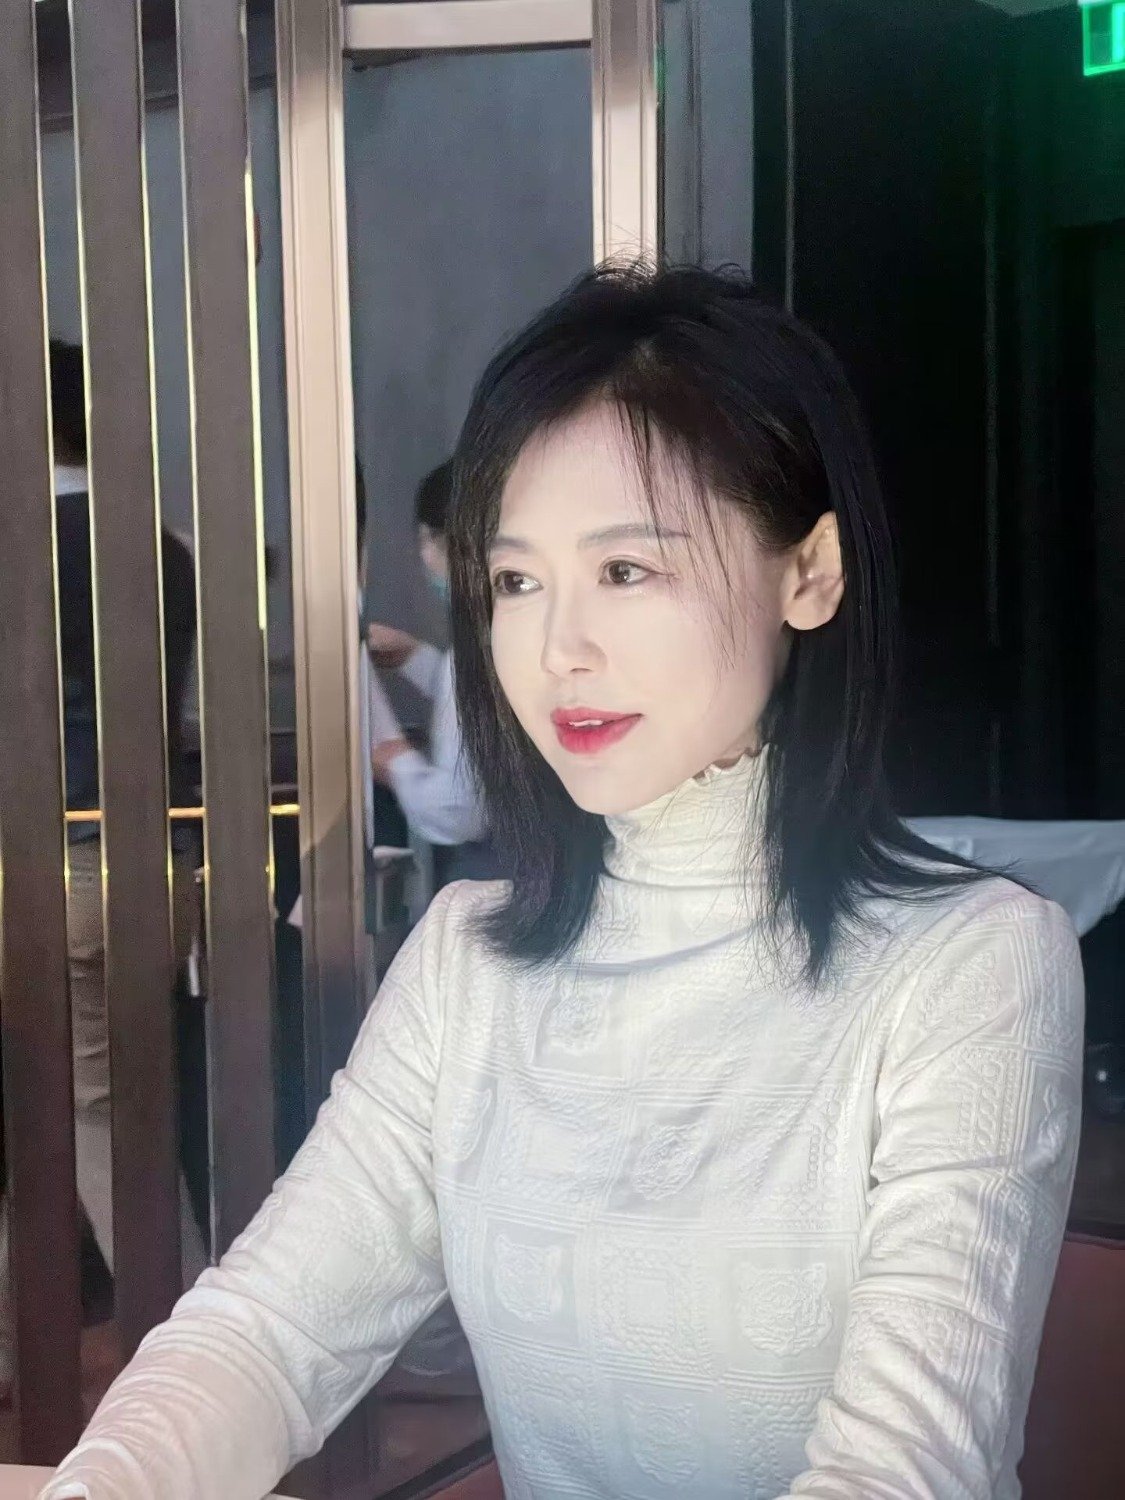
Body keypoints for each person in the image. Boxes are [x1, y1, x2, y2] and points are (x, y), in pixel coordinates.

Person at [42, 268, 1083, 1500]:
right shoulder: (468, 959)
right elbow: (267, 1330)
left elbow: (904, 1471)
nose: (556, 649)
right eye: (516, 581)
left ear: (809, 573)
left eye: (626, 571)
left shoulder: (970, 965)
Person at [0, 340, 207, 1395]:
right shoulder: (159, 546)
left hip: (52, 867)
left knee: (83, 1118)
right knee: (115, 1106)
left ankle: (202, 1341)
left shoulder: (19, 546)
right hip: (154, 861)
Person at [365, 461, 497, 885]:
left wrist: (396, 762)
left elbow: (458, 812)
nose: (423, 555)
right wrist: (418, 659)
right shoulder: (511, 637)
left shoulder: (476, 654)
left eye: (427, 539)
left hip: (493, 876)